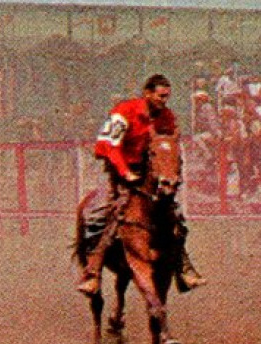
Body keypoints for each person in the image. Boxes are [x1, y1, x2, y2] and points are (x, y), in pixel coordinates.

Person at [77, 74, 206, 296]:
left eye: (167, 96)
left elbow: (167, 148)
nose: (164, 100)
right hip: (118, 171)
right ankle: (92, 271)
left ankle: (183, 266)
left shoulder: (167, 117)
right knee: (96, 214)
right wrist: (125, 172)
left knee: (175, 217)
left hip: (150, 176)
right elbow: (107, 146)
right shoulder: (124, 112)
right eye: (161, 96)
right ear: (147, 93)